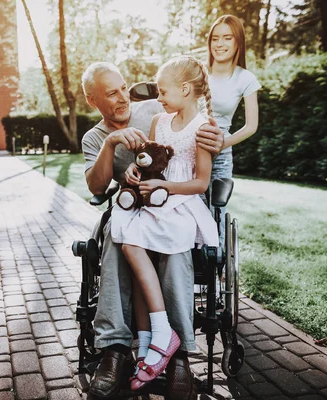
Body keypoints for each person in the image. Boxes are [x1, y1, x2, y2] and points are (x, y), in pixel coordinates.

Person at [80, 62, 224, 399]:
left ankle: (178, 355)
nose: (122, 97)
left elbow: (191, 121)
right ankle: (115, 352)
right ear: (92, 100)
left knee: (175, 246)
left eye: (123, 88)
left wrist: (216, 134)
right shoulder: (94, 137)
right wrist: (111, 144)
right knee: (118, 236)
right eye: (111, 93)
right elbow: (97, 188)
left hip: (170, 203)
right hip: (131, 206)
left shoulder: (153, 109)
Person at [206, 14, 261, 240]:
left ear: (238, 41)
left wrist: (222, 142)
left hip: (220, 154)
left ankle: (217, 269)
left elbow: (251, 126)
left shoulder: (245, 79)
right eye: (215, 39)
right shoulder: (197, 71)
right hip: (190, 148)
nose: (220, 44)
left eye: (227, 38)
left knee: (216, 211)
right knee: (188, 207)